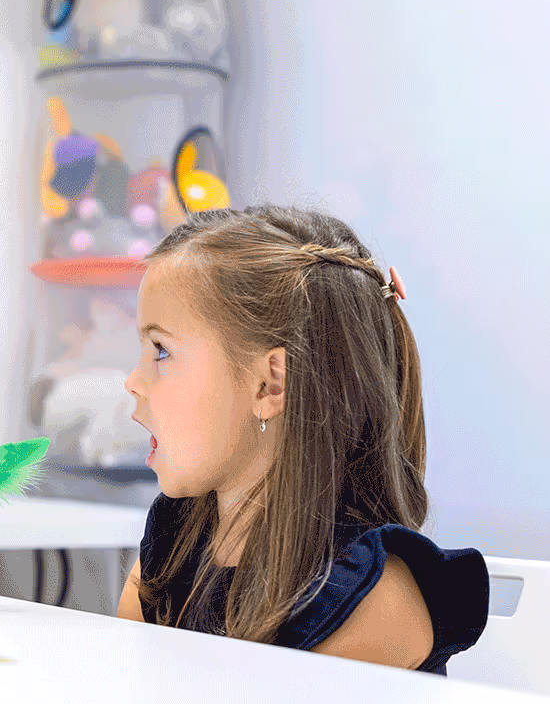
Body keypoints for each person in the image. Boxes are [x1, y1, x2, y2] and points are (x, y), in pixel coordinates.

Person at [116, 205, 488, 673]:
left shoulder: (369, 597)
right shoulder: (175, 538)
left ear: (270, 384)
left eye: (161, 350)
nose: (132, 381)